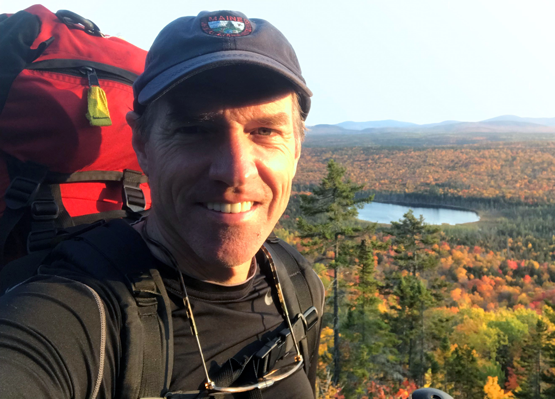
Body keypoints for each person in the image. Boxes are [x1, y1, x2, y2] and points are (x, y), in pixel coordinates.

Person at [0, 9, 323, 399]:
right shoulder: (83, 314)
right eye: (194, 130)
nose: (235, 171)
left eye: (266, 131)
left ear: (297, 148)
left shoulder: (296, 284)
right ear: (142, 145)